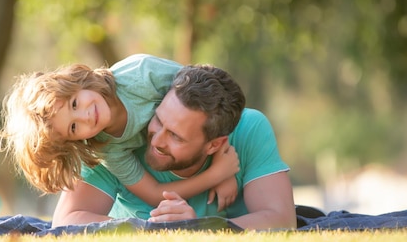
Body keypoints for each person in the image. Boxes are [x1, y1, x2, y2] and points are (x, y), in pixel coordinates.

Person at [51, 63, 297, 230]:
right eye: (157, 119)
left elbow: (282, 220)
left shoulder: (248, 129)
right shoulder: (107, 139)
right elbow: (65, 222)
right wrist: (151, 230)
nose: (156, 140)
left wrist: (199, 227)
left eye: (176, 137)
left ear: (215, 145)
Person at [0, 54, 240, 212]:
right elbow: (156, 194)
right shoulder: (108, 149)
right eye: (73, 127)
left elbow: (211, 99)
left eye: (74, 104)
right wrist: (217, 174)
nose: (85, 116)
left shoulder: (141, 74)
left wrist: (222, 157)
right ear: (73, 141)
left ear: (76, 83)